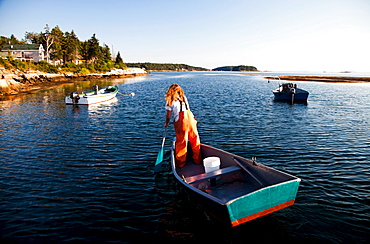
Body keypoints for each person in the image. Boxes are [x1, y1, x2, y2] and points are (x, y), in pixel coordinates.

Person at [164, 84, 201, 168]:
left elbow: (168, 115)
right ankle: (197, 160)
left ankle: (181, 163)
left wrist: (166, 123)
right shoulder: (184, 98)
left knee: (182, 142)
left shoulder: (170, 101)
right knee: (195, 140)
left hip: (182, 122)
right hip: (191, 120)